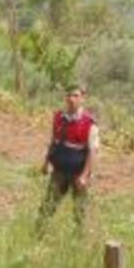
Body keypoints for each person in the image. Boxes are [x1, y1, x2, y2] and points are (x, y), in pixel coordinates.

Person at [38, 84, 99, 230]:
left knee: (79, 211)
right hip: (59, 171)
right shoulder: (59, 117)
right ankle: (38, 234)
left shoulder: (89, 123)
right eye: (69, 95)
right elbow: (54, 141)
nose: (71, 99)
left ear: (83, 99)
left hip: (78, 174)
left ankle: (78, 237)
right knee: (47, 205)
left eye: (75, 96)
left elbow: (92, 152)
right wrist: (46, 162)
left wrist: (84, 176)